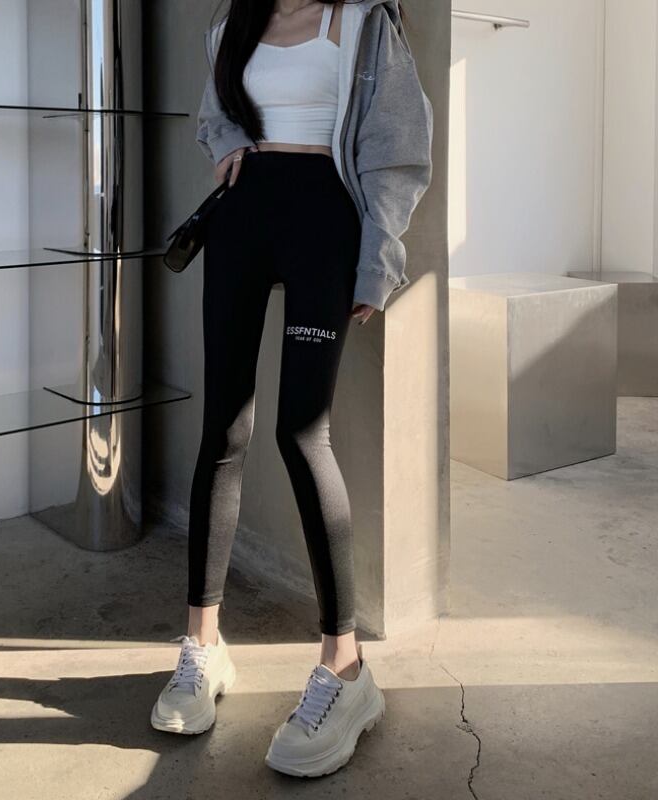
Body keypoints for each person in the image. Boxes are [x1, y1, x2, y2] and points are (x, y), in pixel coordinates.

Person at [151, 0, 433, 777]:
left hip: (324, 223)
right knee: (223, 429)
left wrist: (379, 258)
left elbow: (397, 147)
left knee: (301, 434)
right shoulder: (234, 21)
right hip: (240, 223)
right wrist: (230, 143)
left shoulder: (364, 21)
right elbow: (216, 112)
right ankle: (202, 647)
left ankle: (345, 669)